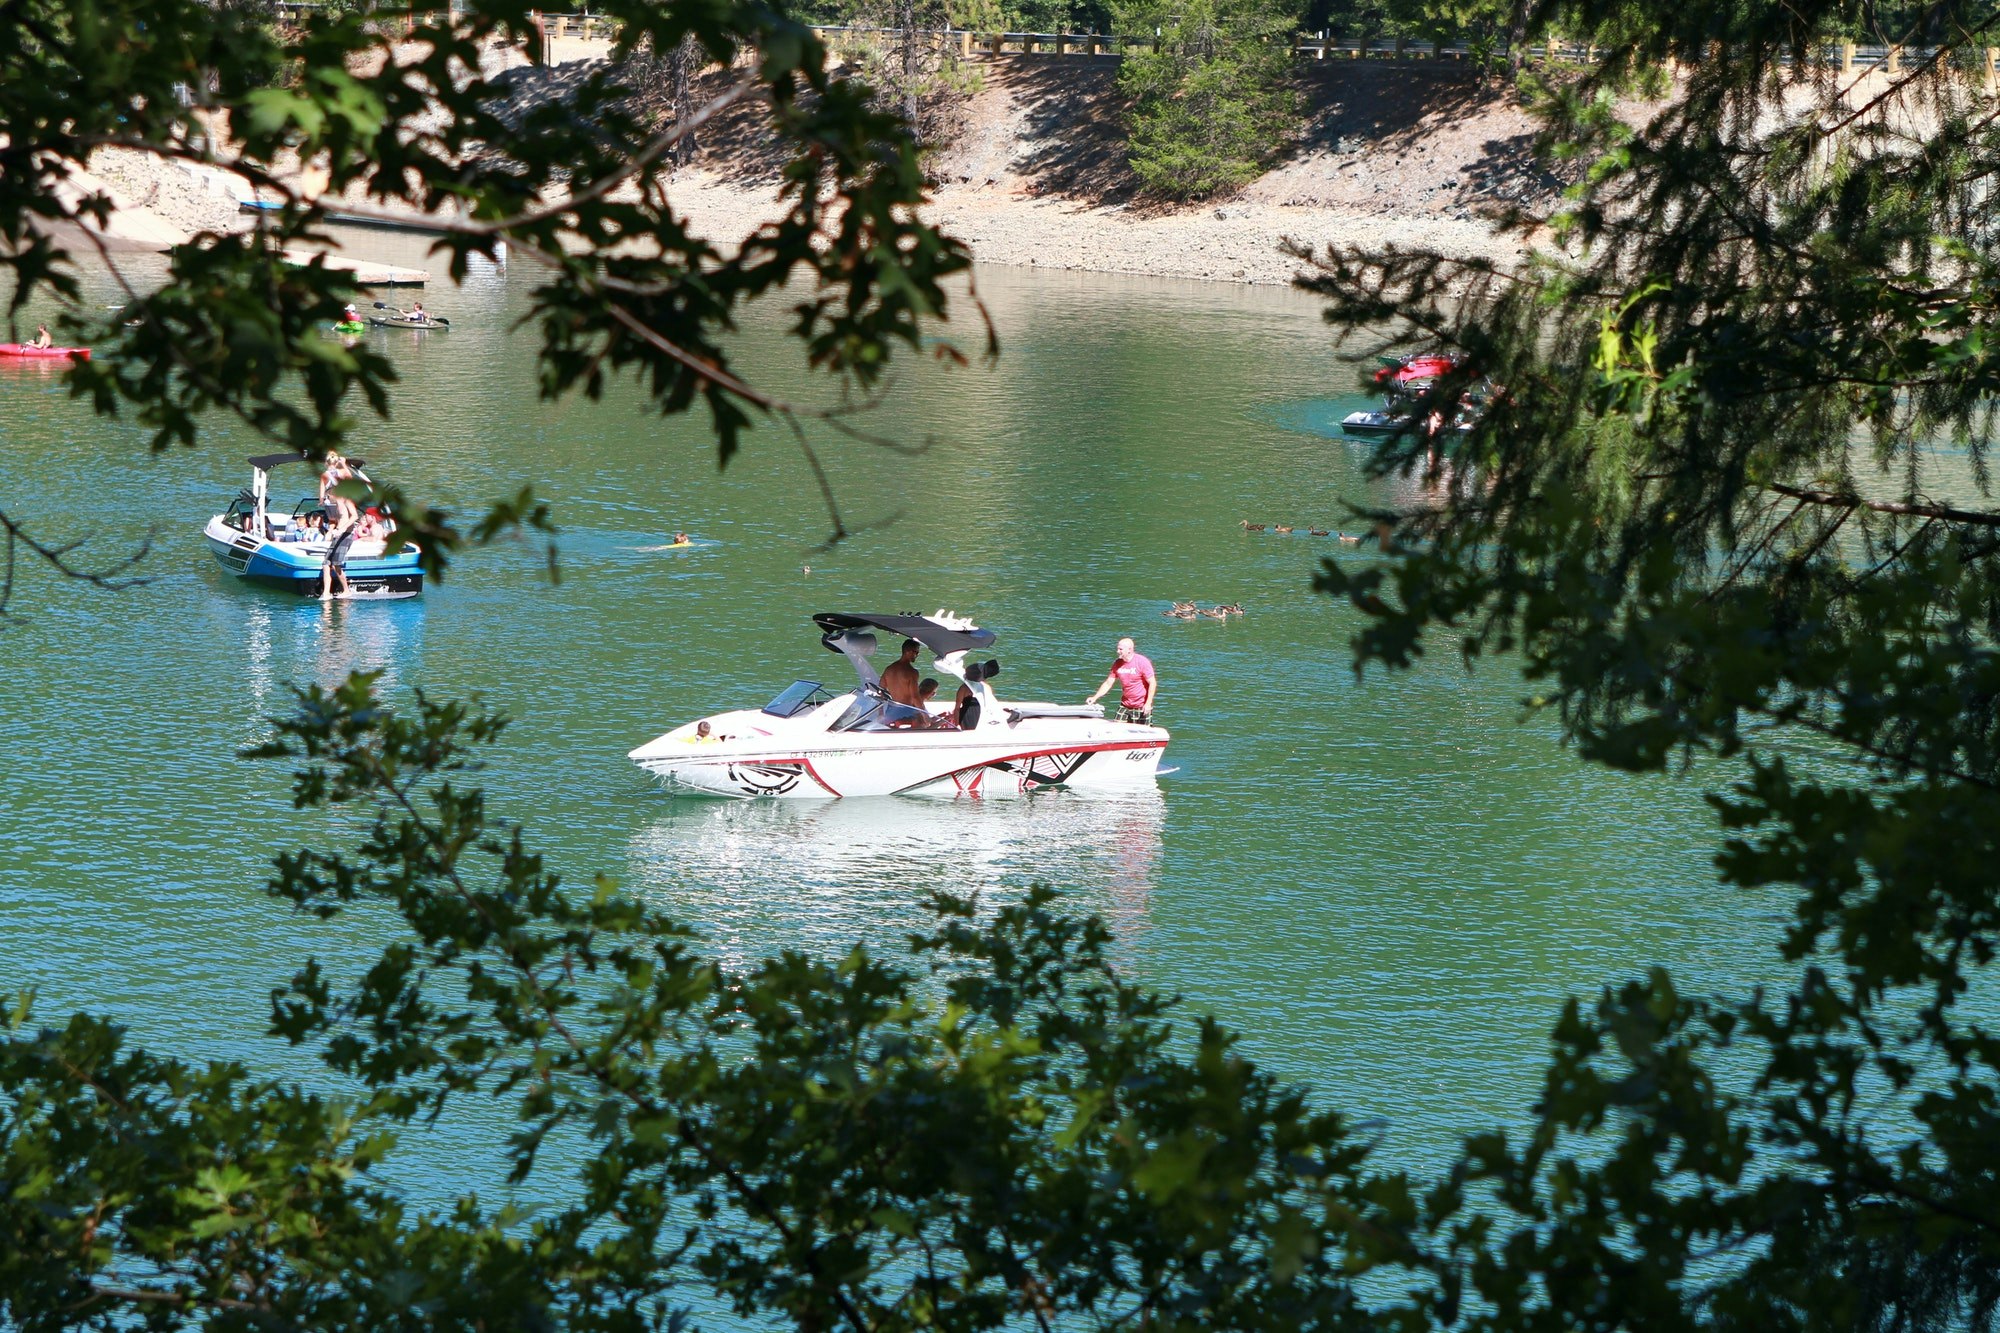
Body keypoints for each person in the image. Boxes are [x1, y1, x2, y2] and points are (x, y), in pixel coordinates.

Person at [1087, 637, 1157, 725]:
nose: (1117, 651)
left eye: (1120, 649)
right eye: (1117, 649)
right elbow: (1108, 683)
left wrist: (1148, 703)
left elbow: (1152, 683)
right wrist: (1095, 697)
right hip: (1125, 705)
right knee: (1117, 729)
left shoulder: (1142, 662)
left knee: (1143, 733)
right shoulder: (1118, 663)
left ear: (1129, 650)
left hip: (1141, 706)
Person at [881, 638, 923, 707]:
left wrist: (880, 712)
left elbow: (881, 691)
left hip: (892, 710)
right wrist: (925, 715)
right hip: (906, 711)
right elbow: (915, 697)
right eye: (916, 652)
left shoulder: (889, 669)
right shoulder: (912, 672)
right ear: (907, 651)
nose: (917, 655)